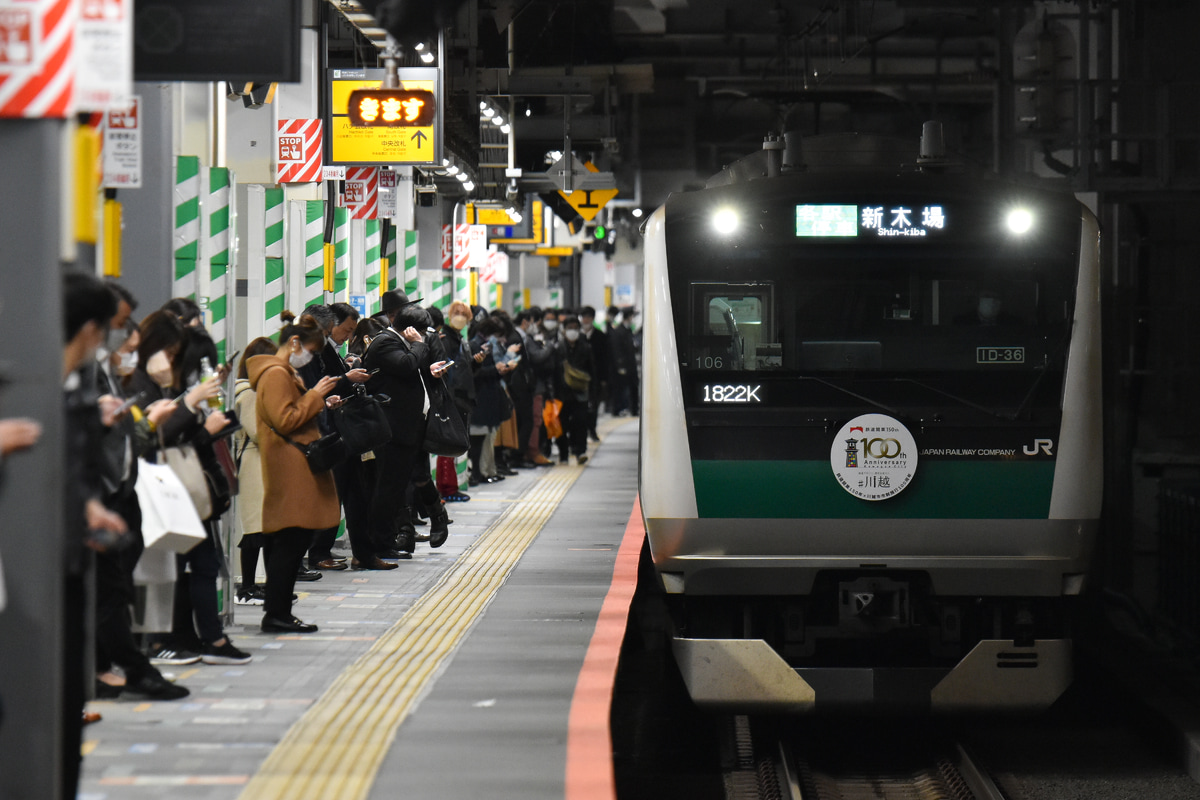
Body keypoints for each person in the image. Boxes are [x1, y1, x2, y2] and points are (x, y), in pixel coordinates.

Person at [125, 310, 250, 667]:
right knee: (173, 568)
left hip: (181, 488)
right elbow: (153, 439)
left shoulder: (162, 384)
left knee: (195, 564)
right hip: (160, 488)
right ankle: (165, 642)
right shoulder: (138, 384)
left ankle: (200, 637)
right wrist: (191, 405)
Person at [247, 314, 342, 633]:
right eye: (311, 351)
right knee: (290, 541)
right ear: (295, 343)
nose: (311, 358)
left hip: (289, 464)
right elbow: (286, 419)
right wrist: (315, 395)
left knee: (287, 541)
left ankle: (279, 611)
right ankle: (277, 613)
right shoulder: (275, 374)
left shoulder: (280, 372)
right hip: (290, 467)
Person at [363, 291, 451, 557]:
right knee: (389, 488)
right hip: (392, 429)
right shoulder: (386, 342)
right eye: (422, 331)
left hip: (411, 426)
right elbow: (407, 365)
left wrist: (434, 370)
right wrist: (418, 344)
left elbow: (418, 369)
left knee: (401, 484)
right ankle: (383, 542)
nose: (425, 336)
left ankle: (394, 538)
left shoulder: (405, 342)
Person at [232, 337, 281, 604]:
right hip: (256, 465)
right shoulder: (249, 393)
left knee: (263, 530)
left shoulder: (247, 390)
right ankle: (248, 587)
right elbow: (258, 433)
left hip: (259, 464)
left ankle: (264, 586)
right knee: (256, 530)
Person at [554, 315, 594, 465]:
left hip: (580, 393)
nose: (573, 332)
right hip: (562, 393)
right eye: (569, 329)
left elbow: (592, 371)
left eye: (575, 329)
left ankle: (580, 451)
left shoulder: (585, 348)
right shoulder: (558, 348)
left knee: (580, 422)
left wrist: (593, 394)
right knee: (562, 424)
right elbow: (554, 372)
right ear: (564, 330)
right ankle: (563, 453)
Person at [579, 306, 607, 440]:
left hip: (595, 377)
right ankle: (582, 432)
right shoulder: (577, 336)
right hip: (579, 377)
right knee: (581, 406)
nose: (586, 320)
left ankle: (592, 430)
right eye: (584, 317)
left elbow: (605, 359)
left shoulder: (600, 336)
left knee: (594, 405)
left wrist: (604, 379)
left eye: (588, 317)